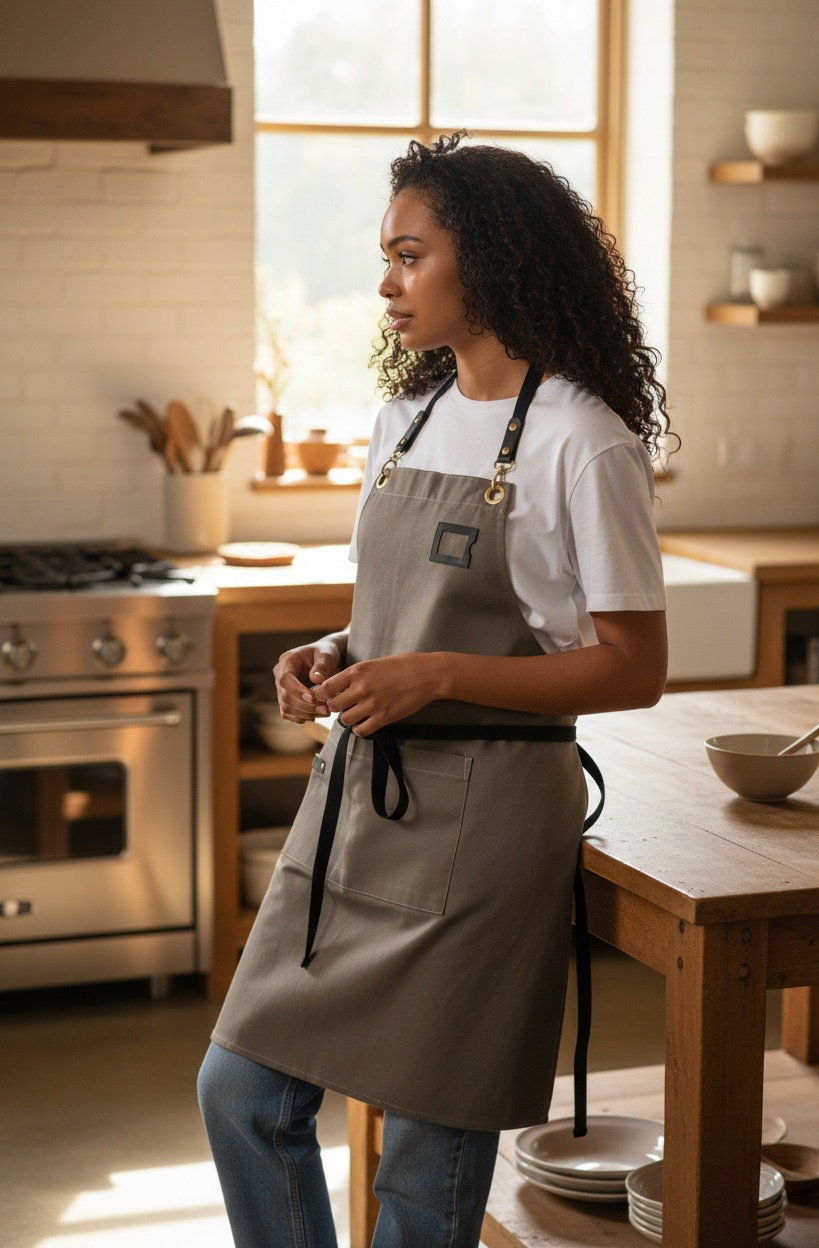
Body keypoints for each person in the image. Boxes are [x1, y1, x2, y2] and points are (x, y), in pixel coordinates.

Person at [198, 131, 673, 1248]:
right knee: (243, 1092)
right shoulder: (401, 419)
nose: (385, 283)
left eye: (409, 255)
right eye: (385, 256)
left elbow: (634, 668)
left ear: (493, 260)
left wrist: (435, 674)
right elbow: (405, 612)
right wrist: (340, 650)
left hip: (489, 827)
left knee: (422, 1158)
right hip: (360, 803)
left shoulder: (584, 441)